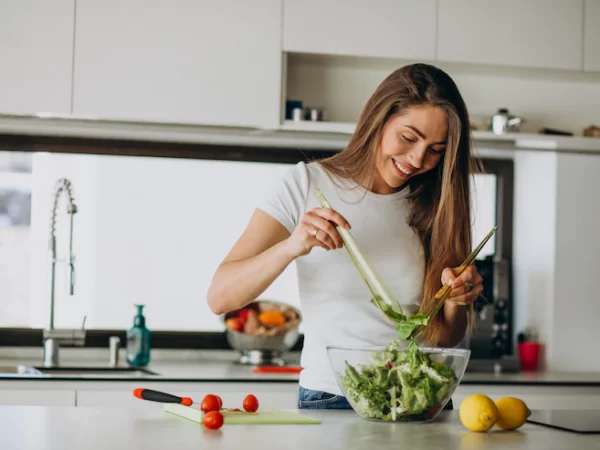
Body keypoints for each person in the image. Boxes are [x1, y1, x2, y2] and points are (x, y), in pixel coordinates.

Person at [207, 63, 484, 410]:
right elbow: (220, 297)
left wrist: (458, 301)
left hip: (421, 398)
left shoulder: (436, 205)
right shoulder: (305, 185)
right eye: (408, 138)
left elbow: (442, 336)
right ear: (378, 120)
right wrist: (291, 246)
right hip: (334, 396)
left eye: (436, 149)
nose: (417, 159)